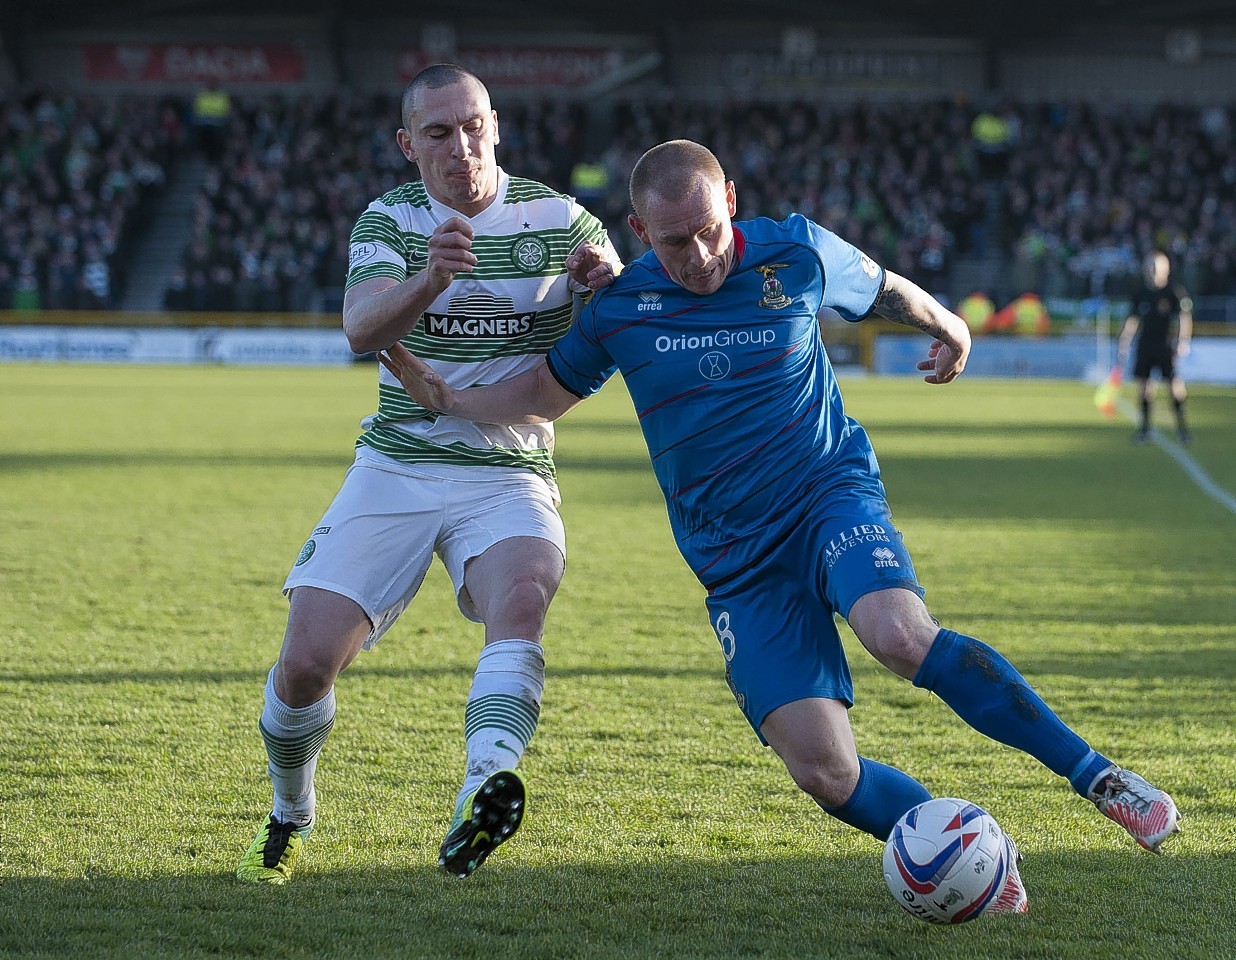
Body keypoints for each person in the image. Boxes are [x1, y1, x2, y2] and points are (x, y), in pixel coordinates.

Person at [381, 139, 1182, 910]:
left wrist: (949, 324)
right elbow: (542, 393)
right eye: (673, 241)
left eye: (709, 229)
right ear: (638, 234)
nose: (699, 255)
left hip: (826, 494)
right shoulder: (618, 309)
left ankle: (1100, 777)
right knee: (824, 770)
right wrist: (447, 400)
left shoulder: (794, 253)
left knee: (899, 635)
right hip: (736, 561)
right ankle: (965, 847)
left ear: (732, 201)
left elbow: (882, 288)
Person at [235, 63, 620, 885]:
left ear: (497, 126)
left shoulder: (562, 218)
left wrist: (604, 291)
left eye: (473, 125)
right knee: (304, 666)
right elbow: (359, 324)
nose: (461, 145)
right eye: (438, 133)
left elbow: (619, 326)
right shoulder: (394, 219)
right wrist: (430, 278)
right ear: (409, 145)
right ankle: (289, 814)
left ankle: (482, 790)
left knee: (520, 599)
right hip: (398, 464)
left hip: (509, 467)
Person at [1117, 251, 1193, 444]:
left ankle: (1182, 428)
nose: (1151, 269)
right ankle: (1144, 429)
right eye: (1149, 265)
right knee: (1144, 387)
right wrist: (1125, 341)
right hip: (1145, 344)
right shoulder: (1141, 294)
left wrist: (1183, 341)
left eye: (1156, 265)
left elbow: (1184, 317)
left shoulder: (1173, 292)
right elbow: (1132, 319)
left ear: (1165, 269)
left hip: (1165, 345)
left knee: (1173, 385)